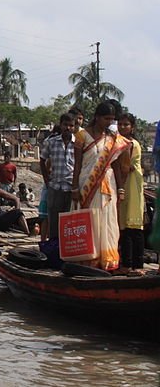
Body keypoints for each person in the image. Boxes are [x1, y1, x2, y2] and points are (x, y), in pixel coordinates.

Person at [70, 101, 131, 271]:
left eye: (112, 119)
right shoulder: (82, 136)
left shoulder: (112, 138)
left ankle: (108, 260)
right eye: (106, 118)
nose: (109, 122)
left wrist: (120, 188)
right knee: (89, 220)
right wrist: (74, 187)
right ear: (97, 117)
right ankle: (88, 259)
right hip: (86, 183)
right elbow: (77, 165)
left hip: (107, 184)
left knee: (108, 220)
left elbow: (118, 165)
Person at [117, 113, 145, 274]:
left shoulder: (130, 144)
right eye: (120, 124)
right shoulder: (122, 142)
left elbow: (127, 167)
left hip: (131, 184)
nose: (122, 127)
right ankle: (133, 264)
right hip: (128, 183)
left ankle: (131, 265)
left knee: (130, 226)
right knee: (129, 226)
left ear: (132, 127)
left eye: (126, 124)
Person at [40, 113, 76, 240]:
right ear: (61, 125)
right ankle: (54, 249)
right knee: (54, 221)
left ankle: (67, 251)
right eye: (65, 125)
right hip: (55, 187)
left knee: (70, 221)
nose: (68, 128)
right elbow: (42, 160)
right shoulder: (51, 142)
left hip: (71, 187)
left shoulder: (78, 144)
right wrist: (46, 179)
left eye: (71, 125)